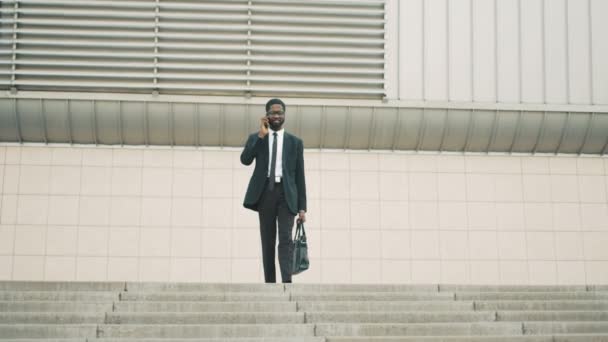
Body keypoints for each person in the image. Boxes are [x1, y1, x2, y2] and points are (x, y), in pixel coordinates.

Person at [240, 98, 307, 283]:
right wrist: (261, 136)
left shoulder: (295, 142)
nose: (276, 116)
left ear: (284, 116)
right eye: (272, 113)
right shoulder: (257, 138)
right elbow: (245, 159)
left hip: (287, 194)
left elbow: (300, 177)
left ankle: (287, 282)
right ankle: (270, 283)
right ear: (266, 116)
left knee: (285, 239)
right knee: (268, 240)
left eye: (279, 112)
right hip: (265, 194)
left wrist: (302, 208)